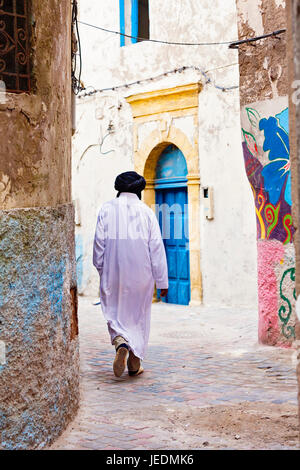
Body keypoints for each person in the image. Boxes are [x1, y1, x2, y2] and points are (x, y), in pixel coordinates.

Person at [93, 171, 168, 377]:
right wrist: (162, 281)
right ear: (139, 190)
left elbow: (99, 245)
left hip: (113, 274)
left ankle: (120, 343)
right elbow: (156, 248)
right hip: (141, 276)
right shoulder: (146, 212)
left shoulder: (106, 210)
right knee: (139, 318)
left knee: (115, 314)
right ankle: (134, 365)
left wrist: (102, 270)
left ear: (119, 188)